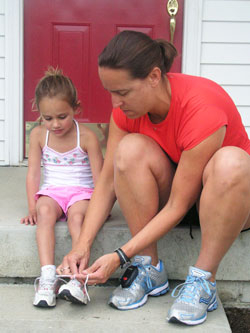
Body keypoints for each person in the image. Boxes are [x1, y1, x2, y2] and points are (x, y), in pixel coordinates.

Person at [57, 30, 250, 325]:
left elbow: (178, 205)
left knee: (231, 162)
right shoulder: (126, 112)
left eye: (123, 92)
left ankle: (204, 280)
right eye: (110, 92)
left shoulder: (201, 108)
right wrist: (81, 245)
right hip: (180, 199)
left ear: (154, 76)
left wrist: (120, 255)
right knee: (128, 151)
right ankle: (150, 269)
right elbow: (108, 182)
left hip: (226, 203)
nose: (115, 103)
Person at [21, 68, 103, 308]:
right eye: (48, 118)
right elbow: (33, 173)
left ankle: (78, 279)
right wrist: (31, 207)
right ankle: (48, 276)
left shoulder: (87, 137)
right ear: (39, 113)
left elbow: (100, 178)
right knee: (45, 211)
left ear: (76, 108)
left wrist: (100, 206)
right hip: (53, 192)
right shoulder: (38, 136)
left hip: (82, 192)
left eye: (62, 116)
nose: (55, 124)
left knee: (77, 218)